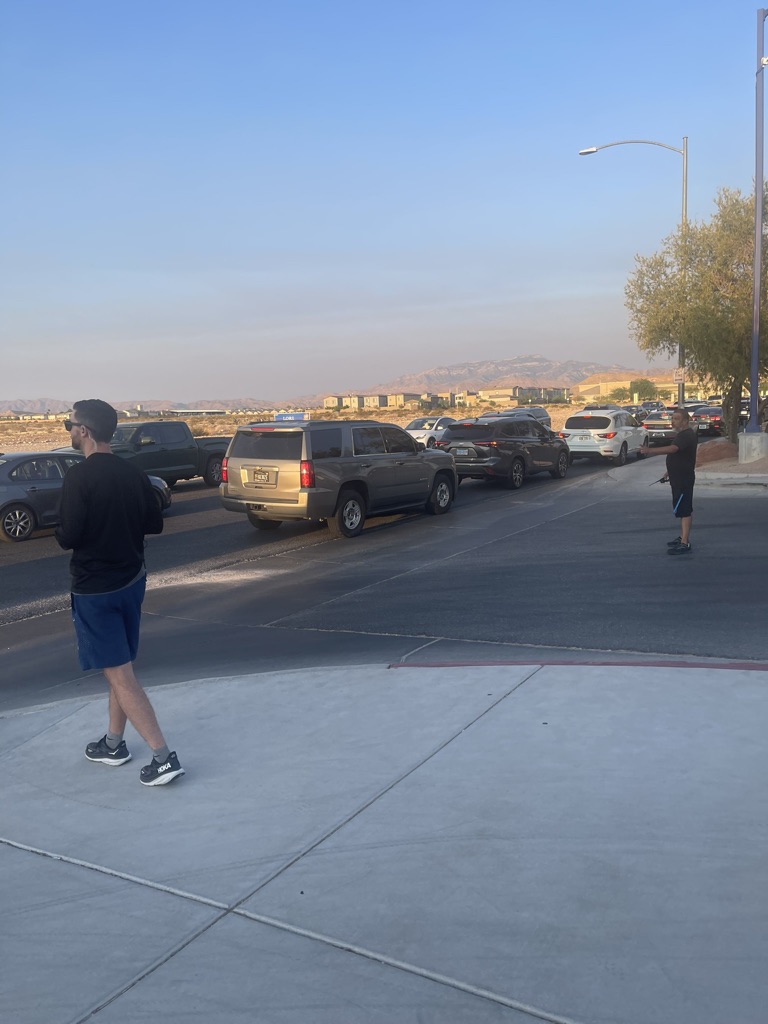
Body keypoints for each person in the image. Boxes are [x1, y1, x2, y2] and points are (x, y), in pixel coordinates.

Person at [55, 399, 184, 785]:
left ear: (85, 432)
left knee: (121, 675)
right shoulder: (134, 473)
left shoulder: (79, 478)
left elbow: (68, 537)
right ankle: (113, 744)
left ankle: (163, 757)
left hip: (96, 590)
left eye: (70, 424)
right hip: (132, 582)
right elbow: (154, 525)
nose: (69, 430)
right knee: (120, 666)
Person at [640, 408, 697, 555]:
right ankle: (682, 537)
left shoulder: (686, 435)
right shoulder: (682, 435)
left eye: (676, 418)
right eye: (672, 418)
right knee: (680, 508)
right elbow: (680, 456)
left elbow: (673, 449)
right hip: (677, 477)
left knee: (685, 510)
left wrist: (649, 451)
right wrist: (669, 472)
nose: (673, 421)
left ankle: (685, 543)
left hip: (684, 478)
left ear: (685, 421)